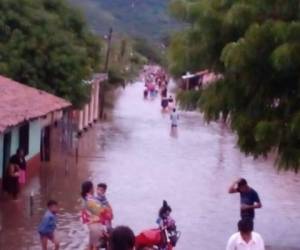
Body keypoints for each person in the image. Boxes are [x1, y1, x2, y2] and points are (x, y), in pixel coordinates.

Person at [81, 181, 108, 250]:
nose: (94, 189)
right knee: (95, 246)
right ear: (90, 189)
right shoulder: (90, 199)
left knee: (91, 244)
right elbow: (100, 211)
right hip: (93, 224)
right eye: (93, 187)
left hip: (90, 224)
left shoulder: (87, 198)